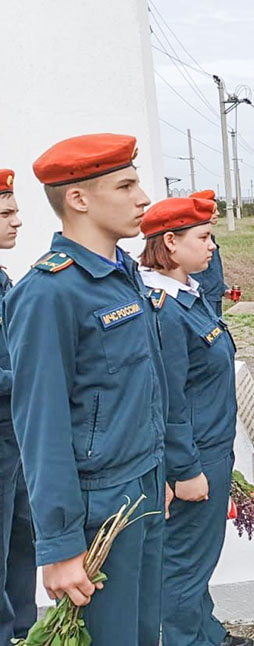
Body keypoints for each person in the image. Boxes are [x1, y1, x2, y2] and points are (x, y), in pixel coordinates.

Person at [4, 134, 167, 645]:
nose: (143, 197)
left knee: (143, 631)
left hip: (141, 481)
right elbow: (40, 423)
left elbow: (142, 383)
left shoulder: (122, 274)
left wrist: (159, 466)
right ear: (78, 199)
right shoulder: (49, 293)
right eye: (126, 184)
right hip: (99, 502)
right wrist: (57, 544)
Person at [138, 197, 251, 646]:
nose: (212, 246)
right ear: (169, 242)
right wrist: (184, 470)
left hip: (211, 444)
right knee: (184, 565)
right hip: (195, 455)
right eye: (202, 237)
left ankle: (207, 633)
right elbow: (168, 400)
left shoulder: (187, 292)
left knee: (199, 559)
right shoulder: (163, 308)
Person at [0, 169, 33, 645]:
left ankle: (24, 631)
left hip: (16, 428)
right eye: (7, 214)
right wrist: (34, 379)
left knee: (22, 540)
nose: (19, 222)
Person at [189, 189, 227, 317]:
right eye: (213, 210)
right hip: (205, 296)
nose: (218, 213)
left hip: (214, 295)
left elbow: (213, 269)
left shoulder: (210, 237)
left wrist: (223, 288)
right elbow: (196, 272)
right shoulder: (196, 240)